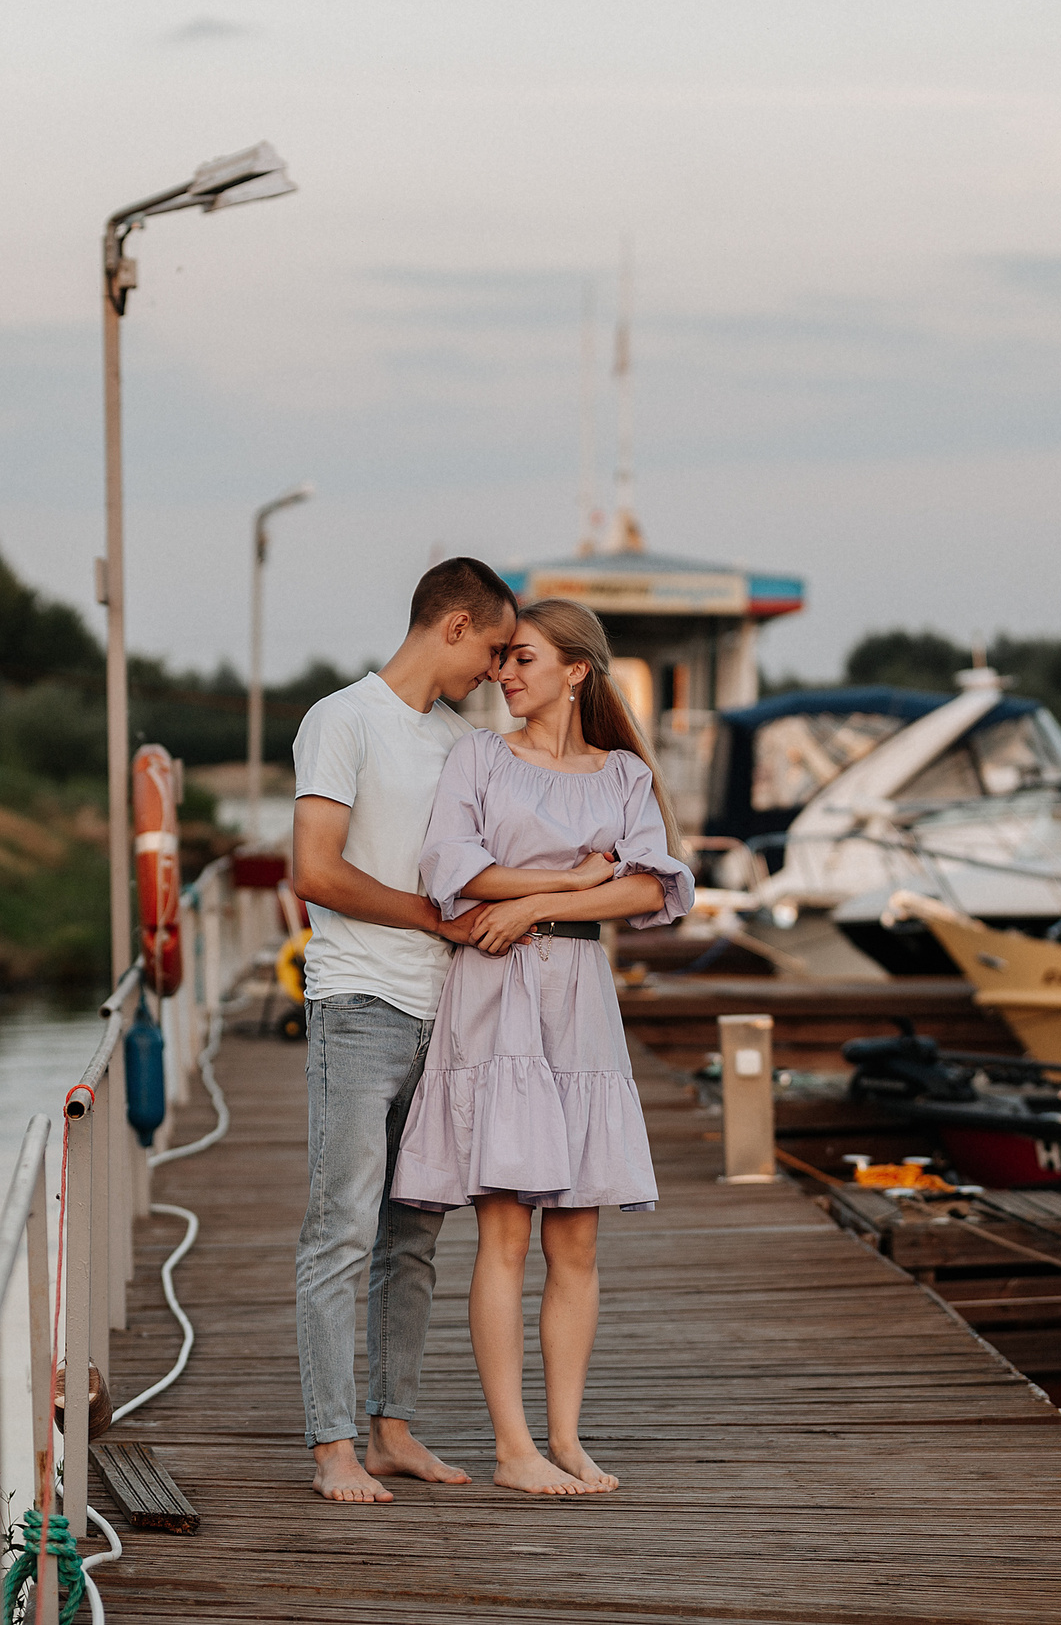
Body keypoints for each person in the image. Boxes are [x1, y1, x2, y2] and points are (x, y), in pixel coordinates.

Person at [391, 599, 696, 1495]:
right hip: (497, 998)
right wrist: (566, 881)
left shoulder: (624, 777)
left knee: (578, 1241)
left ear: (575, 671)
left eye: (523, 657)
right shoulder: (479, 756)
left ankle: (565, 1437)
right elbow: (455, 869)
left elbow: (651, 888)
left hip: (579, 999)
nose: (503, 671)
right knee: (504, 1230)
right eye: (502, 658)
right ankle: (513, 1448)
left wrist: (533, 905)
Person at [289, 556, 518, 1504]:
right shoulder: (341, 719)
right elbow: (316, 870)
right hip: (360, 1003)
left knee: (414, 1235)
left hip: (446, 1017)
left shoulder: (464, 739)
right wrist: (432, 917)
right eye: (496, 647)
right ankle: (331, 1443)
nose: (498, 670)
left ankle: (390, 1429)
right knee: (342, 1226)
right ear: (454, 625)